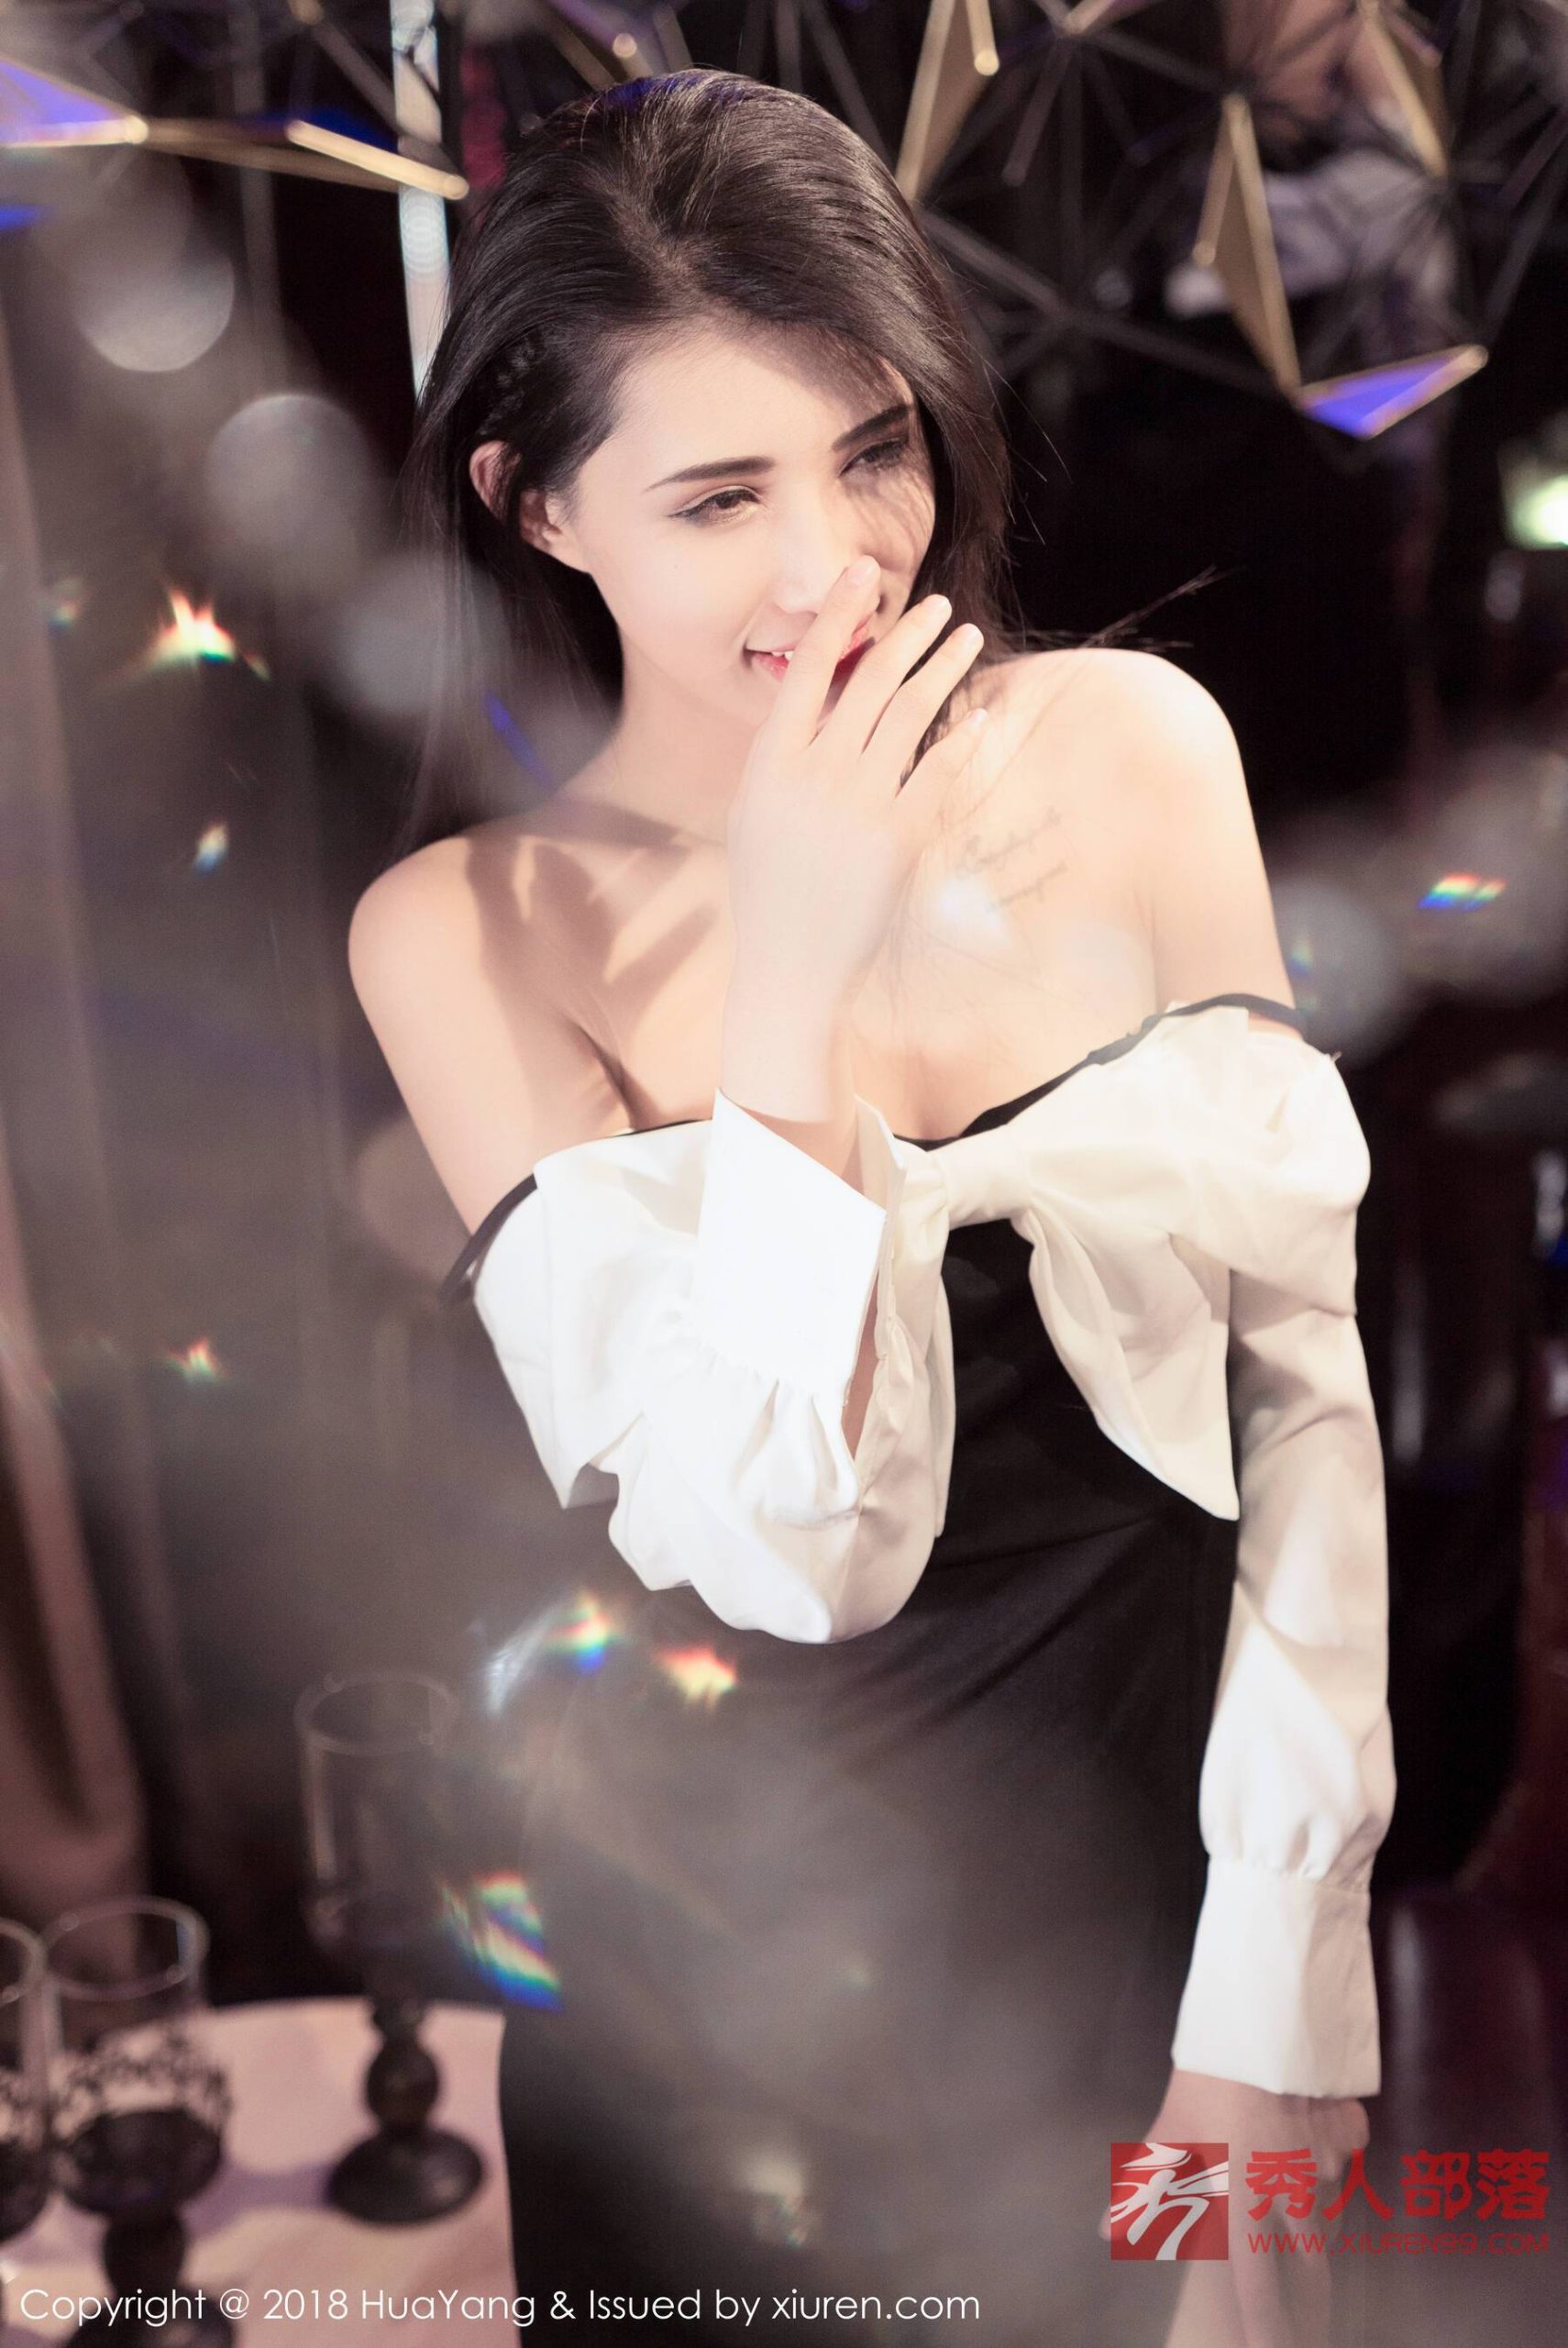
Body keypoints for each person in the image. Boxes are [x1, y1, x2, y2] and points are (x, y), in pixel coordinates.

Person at [348, 69, 1395, 2348]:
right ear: (540, 504)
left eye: (874, 448)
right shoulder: (468, 933)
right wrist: (793, 987)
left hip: (1153, 1926)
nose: (836, 565)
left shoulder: (1135, 750)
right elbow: (785, 1549)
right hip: (711, 2017)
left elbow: (1302, 1399)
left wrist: (1275, 1988)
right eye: (720, 494)